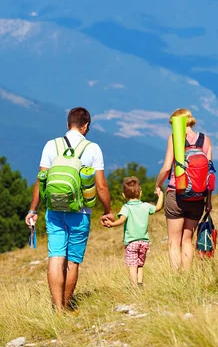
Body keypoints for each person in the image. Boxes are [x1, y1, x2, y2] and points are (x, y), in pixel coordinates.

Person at [25, 107, 114, 311]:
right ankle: (66, 306)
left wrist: (33, 210)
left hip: (54, 210)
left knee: (56, 257)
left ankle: (56, 309)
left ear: (67, 124)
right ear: (86, 126)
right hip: (80, 212)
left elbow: (41, 180)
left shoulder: (51, 145)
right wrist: (108, 210)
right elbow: (101, 186)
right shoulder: (93, 149)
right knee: (72, 261)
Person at [155, 108, 213, 270]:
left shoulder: (175, 138)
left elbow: (167, 167)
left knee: (174, 241)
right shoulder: (206, 140)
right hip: (198, 197)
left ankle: (176, 279)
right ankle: (187, 278)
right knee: (187, 239)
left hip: (176, 193)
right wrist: (208, 201)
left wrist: (157, 184)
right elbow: (209, 173)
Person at [107, 176, 164, 287]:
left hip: (131, 242)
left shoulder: (126, 208)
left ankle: (133, 287)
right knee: (140, 264)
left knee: (133, 265)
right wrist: (161, 195)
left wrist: (112, 224)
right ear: (140, 193)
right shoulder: (145, 206)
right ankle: (140, 284)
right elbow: (158, 208)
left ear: (124, 195)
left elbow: (122, 220)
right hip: (144, 241)